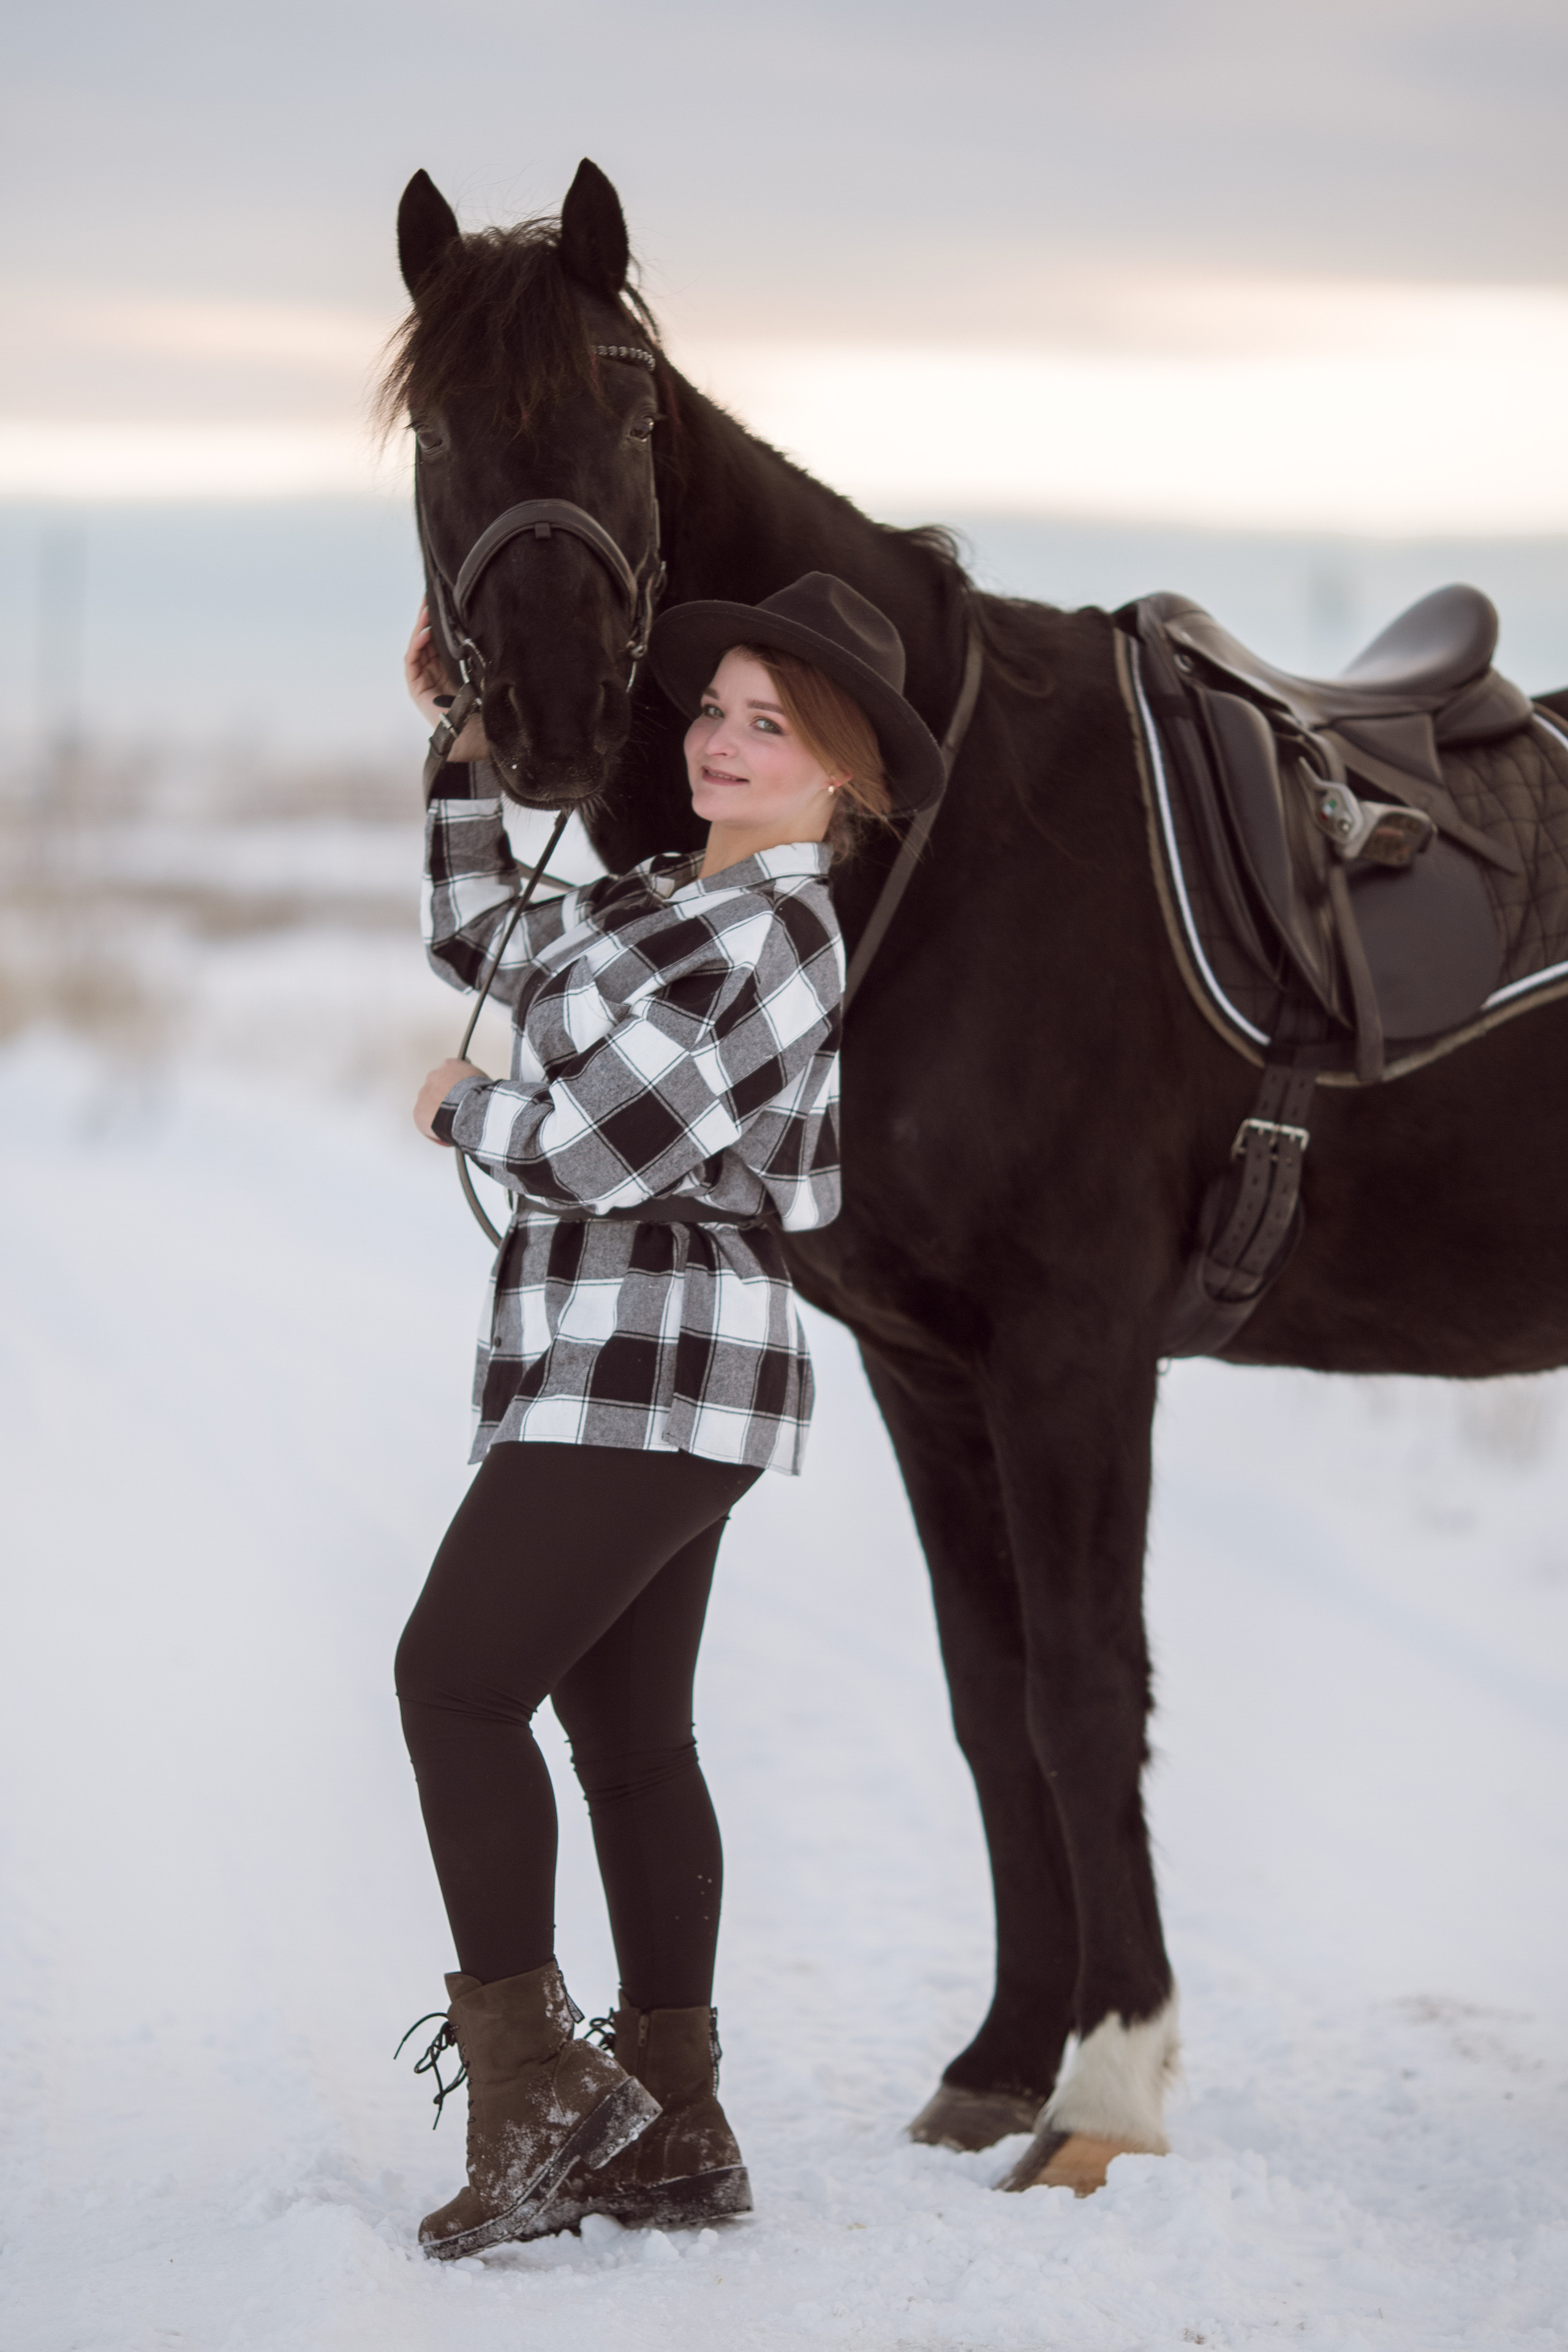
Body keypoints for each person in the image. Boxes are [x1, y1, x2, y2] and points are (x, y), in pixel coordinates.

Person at [394, 572, 944, 2260]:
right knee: (629, 1742)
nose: (721, 740)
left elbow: (603, 1151)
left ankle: (542, 2098)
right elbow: (483, 935)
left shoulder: (778, 934)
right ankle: (680, 2128)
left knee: (454, 1682)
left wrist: (471, 1110)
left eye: (770, 728)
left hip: (665, 1360)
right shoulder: (658, 895)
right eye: (716, 708)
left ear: (838, 772)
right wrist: (468, 747)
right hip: (602, 1356)